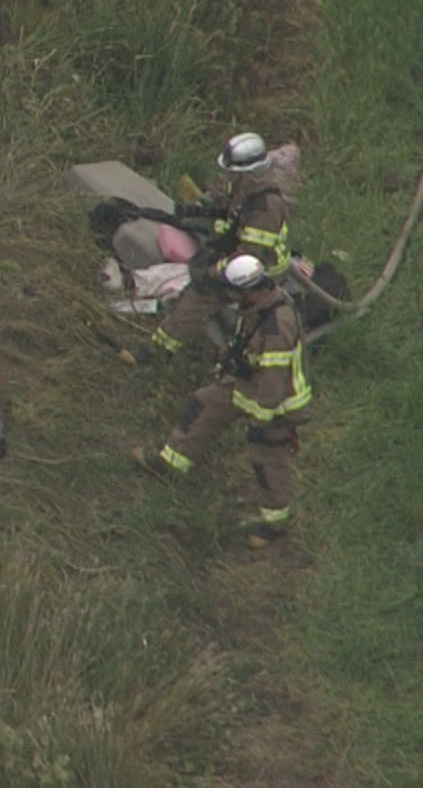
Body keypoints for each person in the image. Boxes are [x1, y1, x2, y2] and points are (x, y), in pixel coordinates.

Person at [132, 255, 313, 547]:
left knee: (266, 457)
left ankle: (274, 525)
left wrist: (259, 421)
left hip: (276, 405)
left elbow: (273, 380)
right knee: (204, 403)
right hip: (249, 385)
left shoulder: (276, 326)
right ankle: (170, 464)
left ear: (251, 289)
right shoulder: (258, 306)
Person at [148, 132, 294, 358]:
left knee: (201, 293)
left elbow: (248, 258)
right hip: (242, 259)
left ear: (250, 172)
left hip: (259, 274)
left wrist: (214, 272)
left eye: (233, 173)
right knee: (200, 279)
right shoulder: (247, 188)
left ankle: (159, 352)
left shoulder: (265, 207)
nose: (228, 177)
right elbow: (230, 214)